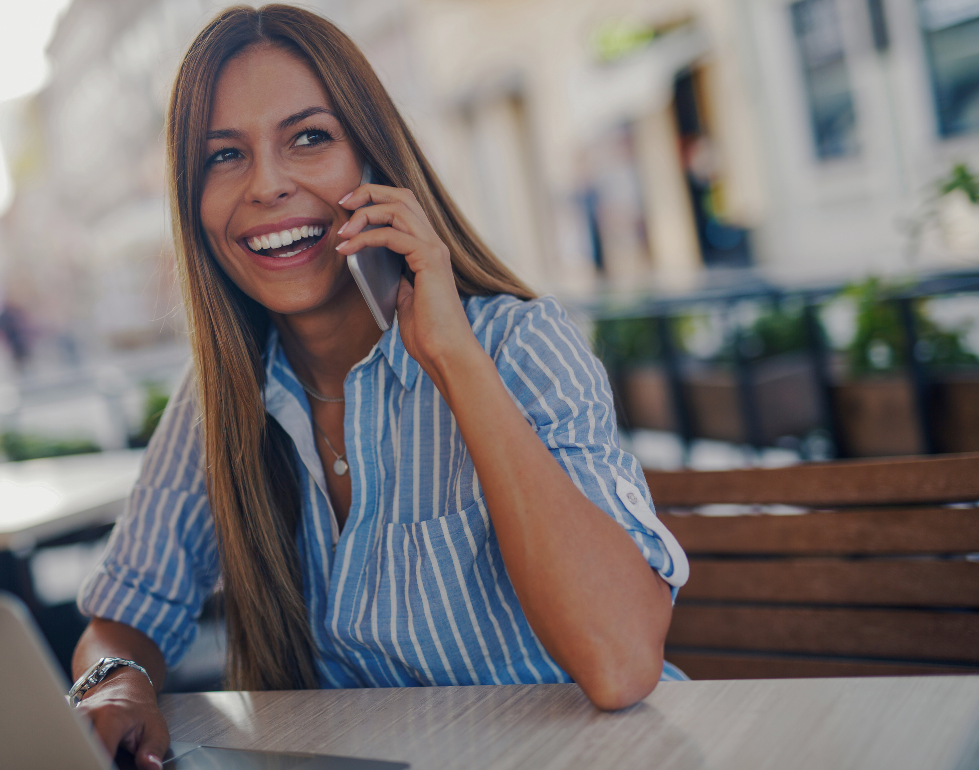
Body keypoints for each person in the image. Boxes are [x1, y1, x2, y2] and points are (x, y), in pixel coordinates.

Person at [72, 5, 689, 768]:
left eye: (309, 138)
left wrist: (454, 361)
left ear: (375, 162)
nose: (267, 185)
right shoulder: (220, 401)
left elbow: (621, 661)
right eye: (223, 156)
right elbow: (126, 613)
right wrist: (115, 687)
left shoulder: (519, 346)